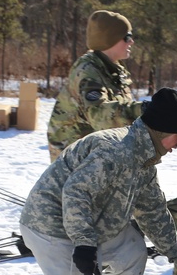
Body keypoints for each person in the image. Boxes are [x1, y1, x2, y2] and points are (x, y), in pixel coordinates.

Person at [20, 87, 177, 275]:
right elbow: (76, 192)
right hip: (50, 226)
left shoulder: (143, 161)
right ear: (161, 131)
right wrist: (84, 244)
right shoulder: (116, 150)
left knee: (131, 251)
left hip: (88, 225)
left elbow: (153, 212)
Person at [46, 10, 144, 162]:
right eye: (127, 37)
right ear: (111, 40)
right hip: (74, 159)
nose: (131, 42)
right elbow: (99, 115)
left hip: (97, 152)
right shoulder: (88, 71)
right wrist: (144, 110)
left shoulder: (113, 70)